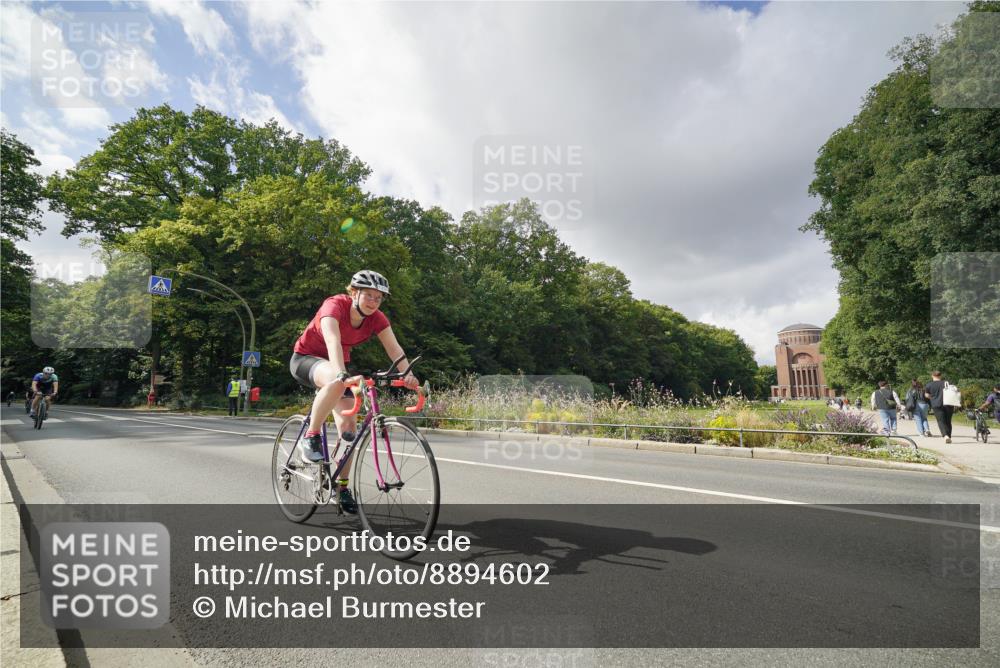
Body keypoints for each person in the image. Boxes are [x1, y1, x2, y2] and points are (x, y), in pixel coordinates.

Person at [289, 270, 419, 514]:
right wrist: (341, 374)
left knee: (349, 429)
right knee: (336, 379)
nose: (373, 302)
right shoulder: (334, 305)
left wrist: (408, 374)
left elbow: (394, 348)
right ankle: (311, 434)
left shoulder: (376, 318)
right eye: (368, 295)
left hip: (337, 367)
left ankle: (342, 487)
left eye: (378, 298)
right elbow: (332, 342)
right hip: (307, 359)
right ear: (354, 293)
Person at [924, 371, 954, 443]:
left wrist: (932, 398)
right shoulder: (946, 383)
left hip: (936, 405)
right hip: (948, 404)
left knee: (941, 421)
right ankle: (948, 436)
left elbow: (926, 395)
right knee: (948, 421)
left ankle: (945, 436)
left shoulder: (929, 385)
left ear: (932, 376)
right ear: (940, 376)